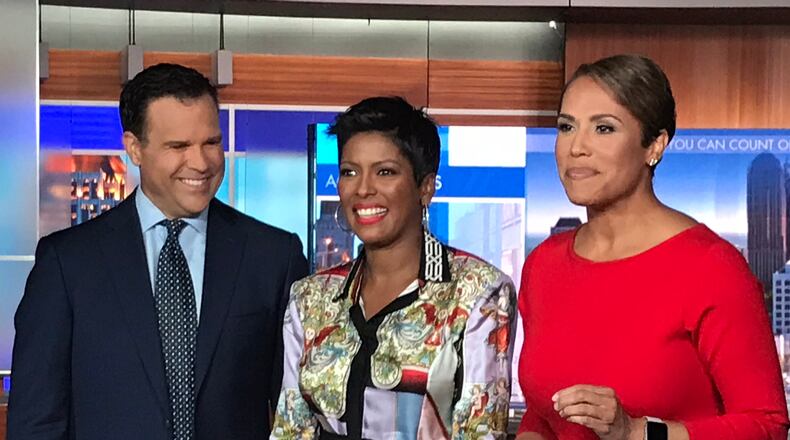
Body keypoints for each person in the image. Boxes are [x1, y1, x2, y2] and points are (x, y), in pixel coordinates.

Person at [8, 63, 308, 440]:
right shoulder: (68, 265)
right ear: (134, 148)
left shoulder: (273, 257)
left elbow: (297, 415)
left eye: (211, 143)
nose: (200, 163)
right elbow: (37, 421)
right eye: (179, 146)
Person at [516, 54, 790, 440]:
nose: (576, 147)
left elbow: (767, 426)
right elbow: (543, 415)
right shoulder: (544, 265)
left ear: (654, 146)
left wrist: (637, 432)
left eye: (604, 128)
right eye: (566, 126)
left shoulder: (711, 267)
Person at [270, 96, 517, 439]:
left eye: (385, 172)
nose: (363, 188)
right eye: (349, 172)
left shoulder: (478, 291)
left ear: (425, 187)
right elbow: (291, 428)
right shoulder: (310, 297)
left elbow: (481, 431)